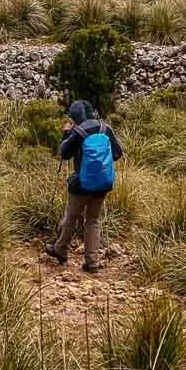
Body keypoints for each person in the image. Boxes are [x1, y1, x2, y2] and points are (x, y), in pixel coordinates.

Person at [44, 100, 123, 272]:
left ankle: (61, 249)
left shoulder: (78, 131)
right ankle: (92, 262)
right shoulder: (105, 128)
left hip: (81, 184)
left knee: (71, 216)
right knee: (93, 220)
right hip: (102, 184)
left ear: (74, 118)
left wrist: (66, 133)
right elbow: (117, 153)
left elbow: (64, 153)